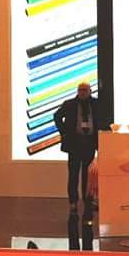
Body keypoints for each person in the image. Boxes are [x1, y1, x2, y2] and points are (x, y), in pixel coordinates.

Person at [53, 82, 109, 213]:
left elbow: (104, 118)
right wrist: (64, 132)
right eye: (80, 90)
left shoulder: (96, 104)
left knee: (87, 175)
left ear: (90, 91)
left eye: (85, 90)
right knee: (73, 174)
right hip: (74, 143)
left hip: (89, 143)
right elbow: (57, 116)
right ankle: (73, 202)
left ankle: (87, 200)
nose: (82, 92)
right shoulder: (69, 104)